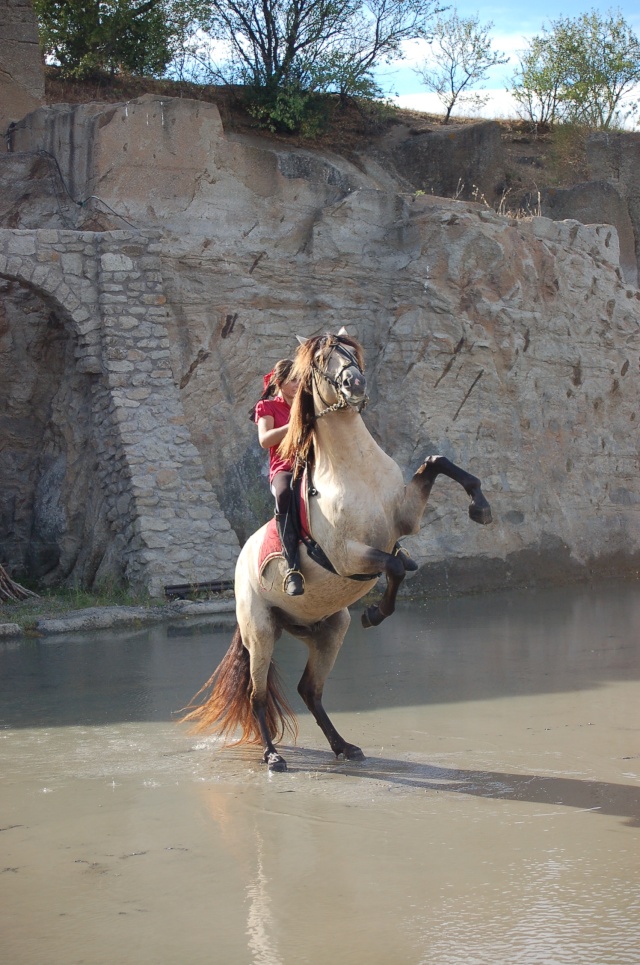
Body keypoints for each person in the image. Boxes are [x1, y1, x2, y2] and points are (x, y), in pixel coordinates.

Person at [252, 359, 304, 596]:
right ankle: (292, 567)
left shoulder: (308, 405)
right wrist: (294, 425)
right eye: (293, 380)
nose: (298, 384)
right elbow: (265, 440)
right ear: (280, 382)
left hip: (311, 464)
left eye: (301, 379)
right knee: (284, 493)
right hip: (284, 468)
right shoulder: (267, 407)